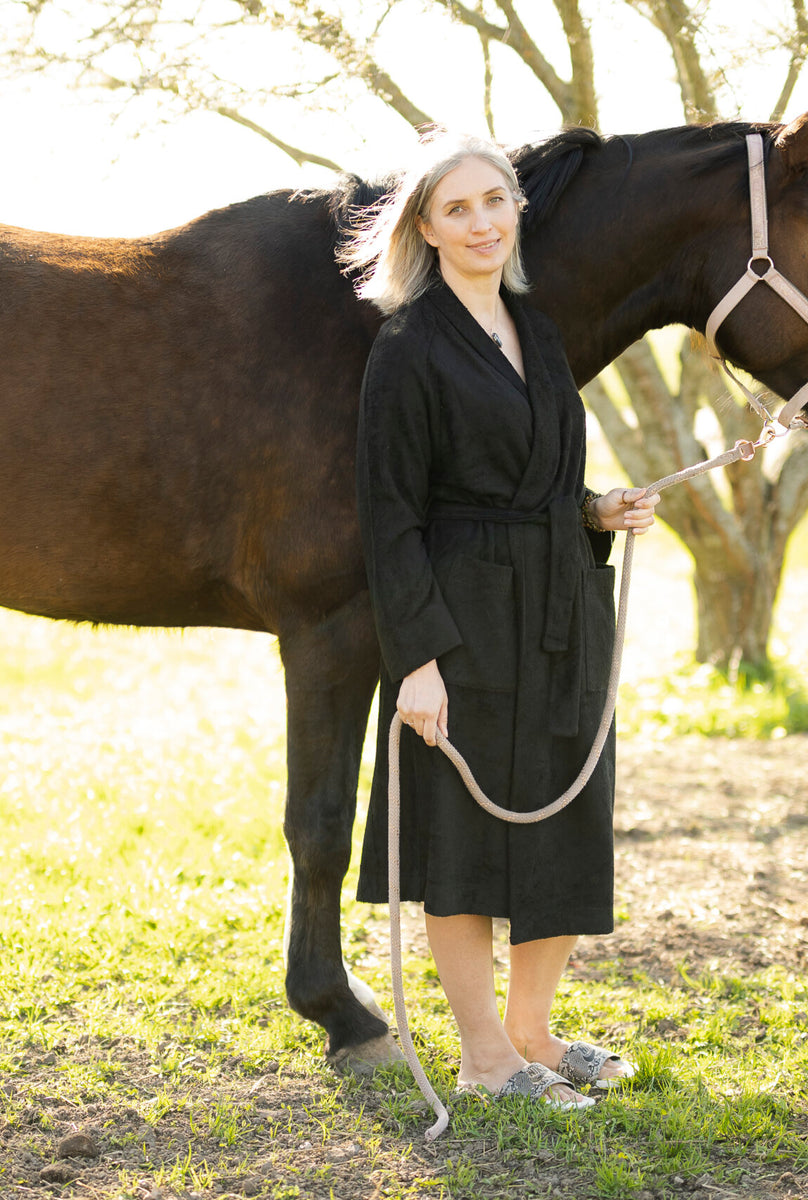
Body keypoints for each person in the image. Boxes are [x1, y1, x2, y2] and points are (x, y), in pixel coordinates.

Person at [343, 131, 659, 1109]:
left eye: (495, 200)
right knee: (464, 842)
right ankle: (484, 1060)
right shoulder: (408, 347)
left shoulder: (538, 328)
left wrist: (597, 510)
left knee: (563, 824)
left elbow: (543, 485)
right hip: (463, 623)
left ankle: (532, 1033)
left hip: (562, 613)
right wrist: (418, 663)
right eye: (458, 208)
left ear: (517, 208)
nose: (482, 222)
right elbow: (390, 518)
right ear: (426, 229)